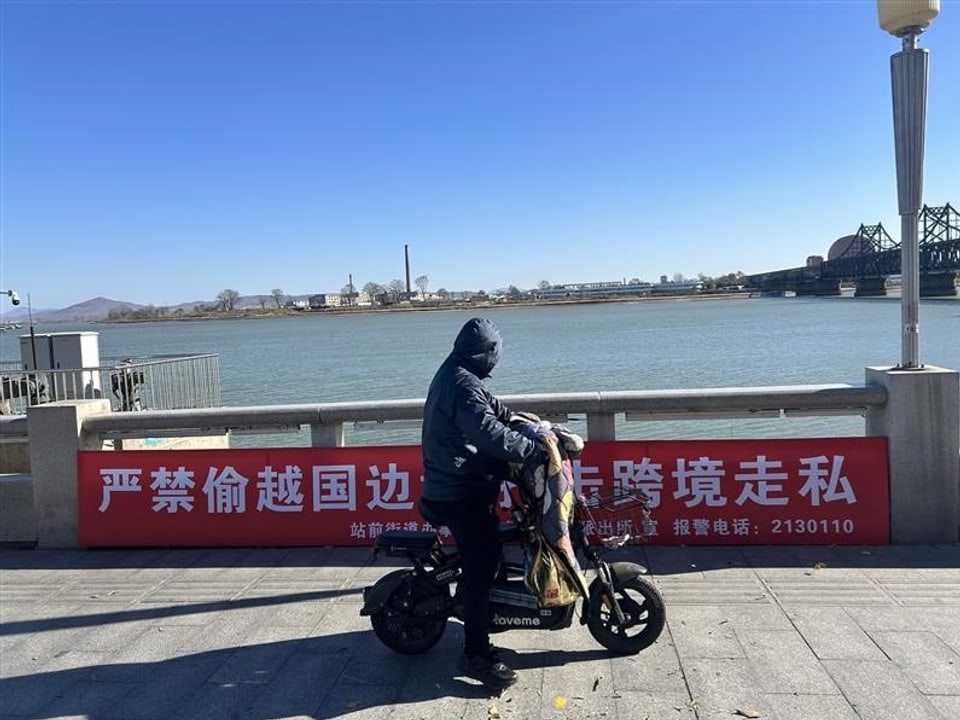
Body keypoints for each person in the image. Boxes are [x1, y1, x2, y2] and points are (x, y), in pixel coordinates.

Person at [419, 317, 541, 691]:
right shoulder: (461, 383)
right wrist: (531, 450)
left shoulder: (461, 373)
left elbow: (495, 413)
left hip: (463, 478)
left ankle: (492, 608)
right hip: (455, 491)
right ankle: (476, 651)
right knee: (483, 560)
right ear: (487, 353)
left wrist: (529, 425)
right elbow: (486, 431)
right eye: (496, 352)